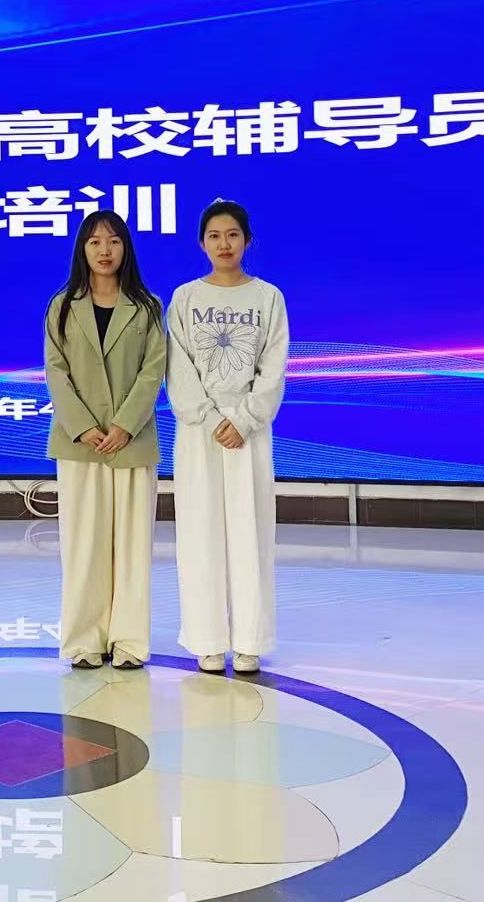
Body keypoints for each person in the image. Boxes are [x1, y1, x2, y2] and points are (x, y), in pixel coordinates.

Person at [166, 200, 288, 675]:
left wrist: (245, 419)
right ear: (202, 243)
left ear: (247, 241)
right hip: (199, 432)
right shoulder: (185, 298)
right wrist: (208, 416)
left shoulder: (268, 298)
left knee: (249, 531)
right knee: (200, 532)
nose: (224, 244)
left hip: (248, 433)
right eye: (215, 236)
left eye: (233, 235)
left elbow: (273, 367)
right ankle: (208, 639)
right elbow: (178, 366)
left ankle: (250, 640)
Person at [43, 210, 168, 670]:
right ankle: (84, 641)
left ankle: (129, 642)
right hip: (79, 442)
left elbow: (153, 370)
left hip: (131, 441)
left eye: (114, 241)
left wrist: (124, 425)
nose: (104, 250)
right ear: (82, 249)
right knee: (84, 546)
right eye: (95, 242)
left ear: (125, 248)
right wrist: (82, 425)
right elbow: (55, 370)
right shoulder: (62, 305)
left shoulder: (148, 306)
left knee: (132, 547)